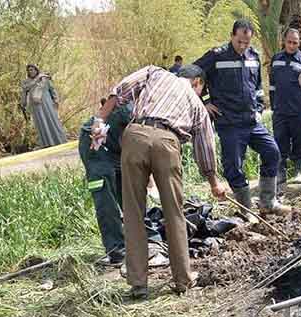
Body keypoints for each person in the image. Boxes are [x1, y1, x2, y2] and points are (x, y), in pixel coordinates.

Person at [91, 64, 229, 300]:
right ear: (197, 83)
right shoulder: (196, 104)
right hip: (167, 141)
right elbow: (204, 145)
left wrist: (99, 121)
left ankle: (138, 284)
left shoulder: (154, 73)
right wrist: (214, 181)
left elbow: (120, 91)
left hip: (135, 135)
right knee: (174, 212)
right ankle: (183, 280)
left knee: (134, 211)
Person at [195, 20, 288, 214]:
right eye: (239, 42)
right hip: (229, 123)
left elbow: (257, 87)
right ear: (232, 36)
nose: (243, 46)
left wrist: (260, 108)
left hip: (251, 121)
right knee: (233, 167)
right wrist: (203, 103)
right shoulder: (216, 56)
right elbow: (190, 75)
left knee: (272, 152)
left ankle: (267, 203)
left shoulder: (253, 56)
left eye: (246, 42)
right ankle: (247, 210)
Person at [78, 99, 166, 267]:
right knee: (106, 199)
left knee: (131, 193)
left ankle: (151, 241)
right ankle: (117, 250)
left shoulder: (160, 112)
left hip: (119, 148)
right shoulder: (133, 111)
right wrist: (149, 179)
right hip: (96, 146)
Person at [269, 28, 301, 187]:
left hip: (299, 111)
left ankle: (298, 171)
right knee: (279, 141)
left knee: (299, 142)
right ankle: (280, 172)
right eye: (289, 42)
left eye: (295, 43)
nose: (291, 45)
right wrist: (273, 107)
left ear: (299, 43)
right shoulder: (276, 59)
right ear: (284, 41)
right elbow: (272, 86)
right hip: (280, 111)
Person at [20, 64, 67, 148]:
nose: (30, 72)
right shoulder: (26, 82)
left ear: (36, 70)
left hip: (47, 103)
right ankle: (46, 143)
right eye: (29, 70)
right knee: (41, 123)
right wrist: (23, 104)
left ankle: (60, 140)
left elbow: (52, 90)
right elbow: (25, 90)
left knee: (52, 120)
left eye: (32, 69)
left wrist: (56, 100)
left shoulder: (44, 79)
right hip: (35, 106)